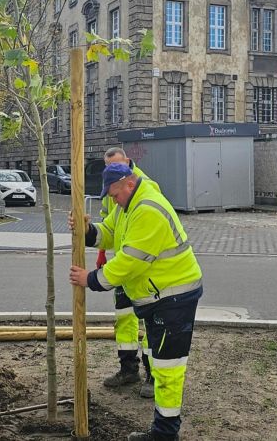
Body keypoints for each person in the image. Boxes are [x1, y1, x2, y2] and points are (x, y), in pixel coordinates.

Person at [70, 163, 203, 441]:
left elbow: (130, 261)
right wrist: (88, 230)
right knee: (161, 365)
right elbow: (110, 233)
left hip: (173, 297)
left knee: (168, 369)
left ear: (129, 184)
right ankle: (163, 432)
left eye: (115, 195)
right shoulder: (127, 206)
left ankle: (164, 435)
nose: (114, 201)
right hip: (160, 296)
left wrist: (91, 279)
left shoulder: (148, 209)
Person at [98, 147, 153, 398]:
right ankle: (128, 368)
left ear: (128, 163)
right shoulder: (111, 187)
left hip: (140, 266)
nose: (111, 170)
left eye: (116, 166)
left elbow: (141, 238)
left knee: (150, 323)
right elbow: (108, 224)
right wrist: (100, 248)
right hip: (122, 262)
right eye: (107, 167)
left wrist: (95, 279)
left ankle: (153, 374)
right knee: (124, 317)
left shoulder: (144, 188)